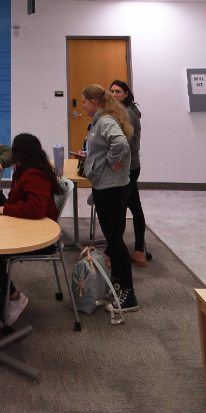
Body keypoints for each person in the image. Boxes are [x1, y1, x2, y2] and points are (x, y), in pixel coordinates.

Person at [0, 133, 61, 325]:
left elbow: (36, 209)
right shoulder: (27, 170)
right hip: (27, 229)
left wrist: (5, 210)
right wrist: (3, 210)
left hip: (39, 238)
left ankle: (14, 297)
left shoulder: (35, 175)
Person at [76, 84, 138, 312]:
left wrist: (112, 161)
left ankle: (129, 295)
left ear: (94, 102)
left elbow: (119, 143)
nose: (83, 106)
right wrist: (92, 156)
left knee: (115, 242)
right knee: (114, 239)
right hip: (108, 185)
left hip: (111, 188)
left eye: (84, 102)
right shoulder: (102, 119)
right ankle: (119, 285)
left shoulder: (105, 120)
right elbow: (106, 145)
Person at [110, 78, 152, 265]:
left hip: (127, 167)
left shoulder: (127, 113)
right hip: (132, 166)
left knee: (119, 208)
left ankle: (113, 252)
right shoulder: (129, 111)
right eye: (112, 91)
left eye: (118, 91)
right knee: (134, 206)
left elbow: (123, 143)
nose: (114, 94)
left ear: (126, 94)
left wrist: (114, 161)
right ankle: (138, 251)